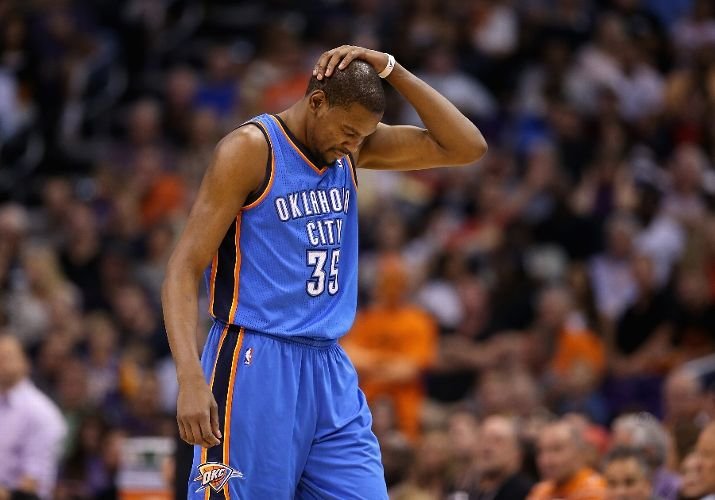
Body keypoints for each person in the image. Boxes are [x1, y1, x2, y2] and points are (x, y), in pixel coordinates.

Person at [162, 45, 487, 499]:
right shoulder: (251, 149)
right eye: (350, 131)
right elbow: (182, 269)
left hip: (329, 366)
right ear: (317, 102)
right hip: (255, 359)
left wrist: (392, 69)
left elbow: (467, 146)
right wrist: (190, 378)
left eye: (363, 136)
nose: (354, 145)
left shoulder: (350, 145)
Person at [0, 333, 67, 500]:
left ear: (25, 363)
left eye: (6, 357)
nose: (1, 363)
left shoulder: (42, 413)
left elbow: (33, 483)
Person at [528, 419, 607, 500]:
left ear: (579, 451)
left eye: (556, 449)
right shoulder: (540, 491)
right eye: (540, 451)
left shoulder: (596, 490)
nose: (546, 460)